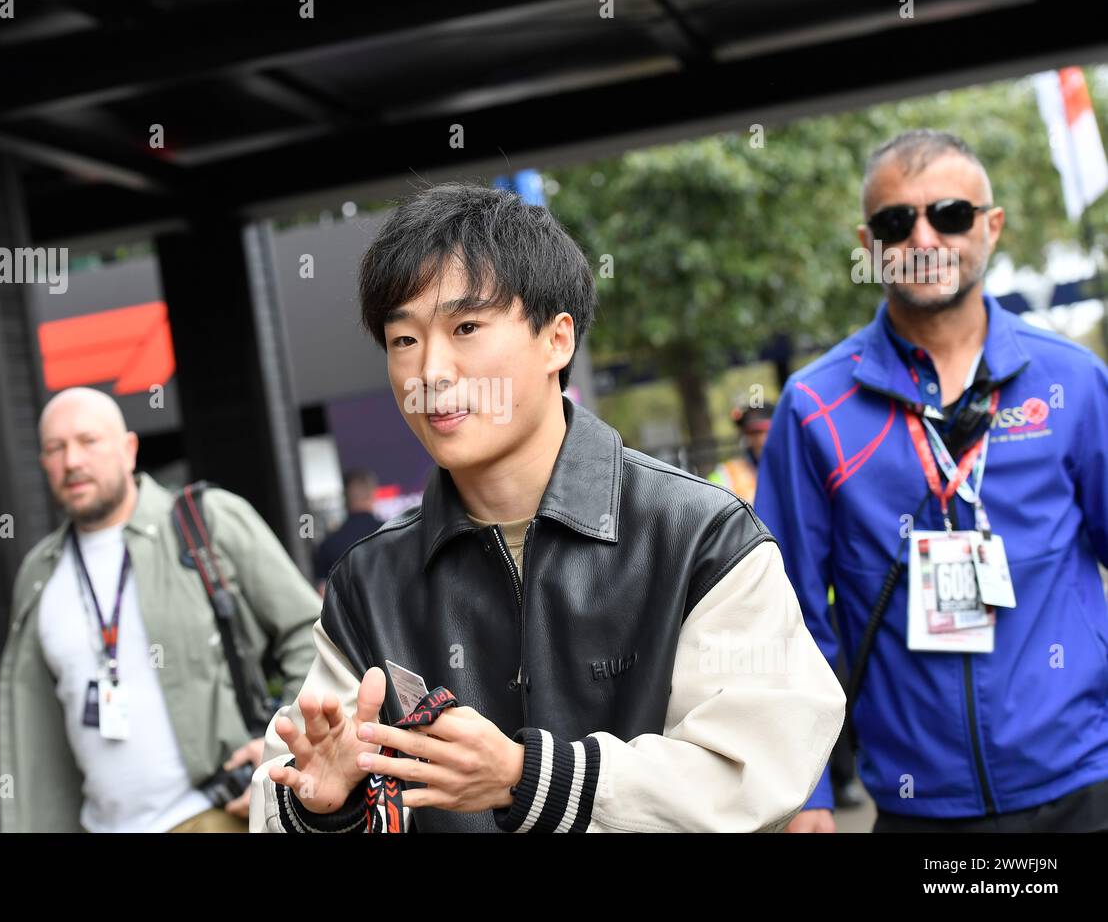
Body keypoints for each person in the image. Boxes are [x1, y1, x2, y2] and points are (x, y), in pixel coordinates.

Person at [251, 183, 844, 833]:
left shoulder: (699, 536)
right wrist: (320, 806)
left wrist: (527, 777)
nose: (431, 370)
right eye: (403, 340)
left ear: (556, 340)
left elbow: (753, 769)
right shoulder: (370, 582)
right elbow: (289, 785)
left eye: (466, 327)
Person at [755, 130, 1108, 832]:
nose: (922, 236)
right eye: (895, 221)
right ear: (868, 243)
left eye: (949, 214)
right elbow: (786, 616)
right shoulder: (813, 406)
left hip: (1085, 783)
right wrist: (810, 787)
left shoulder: (1072, 380)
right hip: (917, 803)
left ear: (992, 225)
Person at [0, 386, 319, 832]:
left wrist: (282, 742)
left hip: (213, 814)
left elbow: (311, 632)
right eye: (56, 448)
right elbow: (39, 727)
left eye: (88, 441)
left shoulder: (206, 521)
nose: (72, 461)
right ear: (44, 464)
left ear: (129, 449)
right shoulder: (39, 573)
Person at [313, 470, 382, 593]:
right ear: (372, 494)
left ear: (345, 499)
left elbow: (323, 594)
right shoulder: (391, 534)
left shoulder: (328, 545)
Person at [708, 402, 774, 503]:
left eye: (765, 432)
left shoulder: (792, 469)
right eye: (753, 433)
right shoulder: (726, 474)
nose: (761, 440)